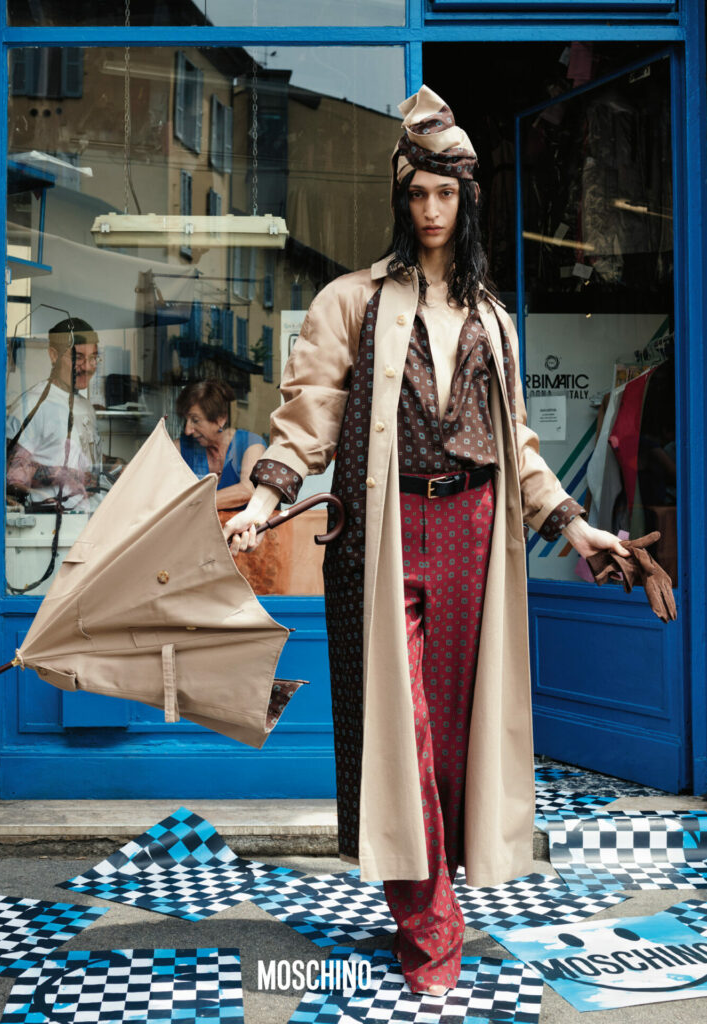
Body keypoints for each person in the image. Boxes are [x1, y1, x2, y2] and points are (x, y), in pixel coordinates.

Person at [225, 86, 628, 997]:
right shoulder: (349, 302)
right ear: (401, 200)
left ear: (467, 199)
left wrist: (571, 521)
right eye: (417, 195)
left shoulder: (492, 318)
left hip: (477, 533)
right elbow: (307, 417)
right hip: (385, 532)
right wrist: (264, 497)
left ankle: (436, 896)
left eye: (446, 195)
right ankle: (429, 923)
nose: (432, 211)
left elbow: (516, 442)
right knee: (397, 734)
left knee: (451, 741)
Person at [6, 317, 107, 513]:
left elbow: (81, 455)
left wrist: (118, 465)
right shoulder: (34, 405)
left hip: (89, 520)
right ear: (54, 355)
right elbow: (12, 476)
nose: (87, 367)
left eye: (93, 358)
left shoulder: (85, 406)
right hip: (53, 527)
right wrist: (59, 475)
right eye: (78, 358)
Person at [177, 379, 266, 511]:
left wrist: (191, 504)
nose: (188, 430)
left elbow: (247, 490)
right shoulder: (181, 447)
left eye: (195, 420)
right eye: (186, 421)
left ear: (221, 419)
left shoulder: (251, 445)